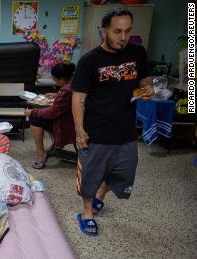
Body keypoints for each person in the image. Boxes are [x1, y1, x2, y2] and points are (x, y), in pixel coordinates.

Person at [71, 8, 154, 236]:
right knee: (90, 175)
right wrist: (80, 131)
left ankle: (100, 196)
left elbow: (145, 77)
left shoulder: (137, 52)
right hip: (96, 130)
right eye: (117, 31)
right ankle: (87, 212)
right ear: (103, 31)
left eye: (127, 31)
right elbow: (78, 98)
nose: (123, 37)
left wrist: (147, 87)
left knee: (123, 173)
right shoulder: (89, 61)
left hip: (126, 129)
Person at [24, 63, 76, 169]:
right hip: (73, 120)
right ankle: (55, 143)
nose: (55, 82)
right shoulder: (75, 83)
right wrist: (57, 96)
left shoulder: (66, 91)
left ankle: (40, 153)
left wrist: (32, 112)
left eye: (55, 80)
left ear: (61, 79)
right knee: (41, 116)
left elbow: (53, 112)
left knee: (35, 119)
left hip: (68, 125)